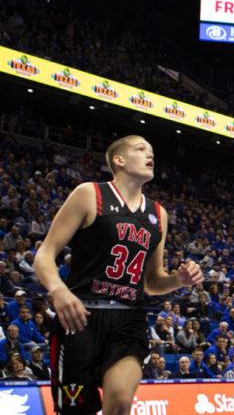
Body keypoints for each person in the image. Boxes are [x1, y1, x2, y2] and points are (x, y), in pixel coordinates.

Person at [33, 135, 204, 415]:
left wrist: (178, 279)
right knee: (75, 410)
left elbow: (151, 283)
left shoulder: (158, 213)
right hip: (80, 316)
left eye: (151, 151)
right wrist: (59, 289)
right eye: (140, 149)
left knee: (121, 401)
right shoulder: (90, 194)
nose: (150, 155)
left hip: (128, 319)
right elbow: (45, 254)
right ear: (118, 160)